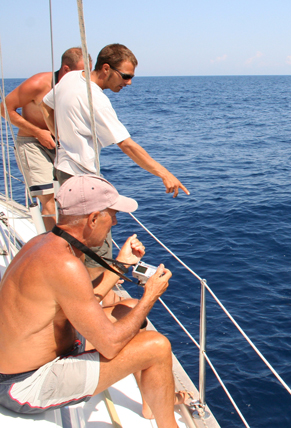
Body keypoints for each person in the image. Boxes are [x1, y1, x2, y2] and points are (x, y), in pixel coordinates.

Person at [0, 175, 185, 428]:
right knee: (157, 346)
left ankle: (150, 404)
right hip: (24, 385)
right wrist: (150, 295)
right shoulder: (65, 264)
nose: (116, 221)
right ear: (94, 218)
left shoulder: (41, 244)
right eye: (112, 214)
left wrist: (120, 263)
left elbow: (87, 298)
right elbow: (109, 345)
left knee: (128, 309)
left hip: (26, 365)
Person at [41, 43, 189, 198]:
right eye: (125, 76)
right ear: (106, 69)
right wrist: (165, 174)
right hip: (80, 179)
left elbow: (45, 106)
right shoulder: (97, 101)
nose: (129, 82)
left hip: (61, 169)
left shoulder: (71, 77)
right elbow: (126, 145)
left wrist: (59, 137)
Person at [0, 47, 88, 231]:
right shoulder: (38, 83)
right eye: (80, 72)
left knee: (72, 197)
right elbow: (4, 109)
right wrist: (38, 132)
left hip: (62, 145)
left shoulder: (80, 87)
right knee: (48, 199)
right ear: (65, 69)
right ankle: (55, 247)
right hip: (33, 144)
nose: (83, 77)